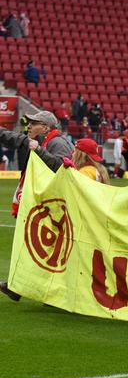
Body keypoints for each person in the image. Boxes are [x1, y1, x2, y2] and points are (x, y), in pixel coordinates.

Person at [0, 110, 74, 302]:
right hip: (47, 204)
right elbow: (15, 139)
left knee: (47, 249)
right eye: (29, 123)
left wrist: (38, 150)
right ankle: (18, 287)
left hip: (55, 206)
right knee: (36, 246)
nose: (29, 126)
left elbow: (62, 166)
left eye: (34, 123)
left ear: (46, 127)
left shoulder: (58, 142)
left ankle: (38, 290)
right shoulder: (45, 140)